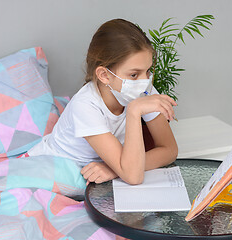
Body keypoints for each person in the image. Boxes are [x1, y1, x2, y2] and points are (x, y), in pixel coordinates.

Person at [27, 18, 178, 185]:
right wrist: (135, 111)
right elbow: (133, 177)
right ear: (105, 76)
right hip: (55, 167)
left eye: (148, 71)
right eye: (134, 75)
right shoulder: (85, 105)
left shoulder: (142, 88)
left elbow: (169, 150)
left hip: (98, 170)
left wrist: (113, 169)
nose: (145, 81)